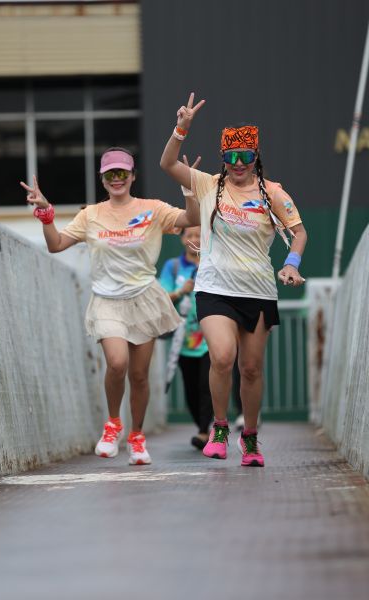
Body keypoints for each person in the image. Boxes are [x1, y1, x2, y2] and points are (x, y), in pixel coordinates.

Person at [20, 147, 199, 466]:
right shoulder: (90, 215)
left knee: (140, 376)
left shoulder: (153, 209)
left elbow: (192, 219)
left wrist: (188, 189)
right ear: (102, 179)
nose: (117, 179)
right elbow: (55, 245)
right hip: (107, 300)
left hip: (144, 299)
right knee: (117, 363)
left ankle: (137, 437)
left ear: (132, 176)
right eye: (110, 174)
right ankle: (113, 424)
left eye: (122, 173)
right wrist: (46, 213)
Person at [160, 93, 307, 467]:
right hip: (215, 289)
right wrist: (181, 129)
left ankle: (251, 437)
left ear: (256, 156)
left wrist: (291, 264)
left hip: (258, 291)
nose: (238, 163)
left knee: (251, 369)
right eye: (231, 156)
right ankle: (220, 427)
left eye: (245, 156)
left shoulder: (273, 193)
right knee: (222, 357)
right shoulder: (209, 185)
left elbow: (299, 232)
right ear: (222, 157)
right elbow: (168, 163)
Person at [159, 224, 213, 450]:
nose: (194, 239)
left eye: (199, 235)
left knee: (206, 384)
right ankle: (203, 427)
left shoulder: (214, 262)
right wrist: (181, 291)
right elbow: (161, 297)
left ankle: (204, 431)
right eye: (189, 235)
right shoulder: (173, 267)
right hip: (184, 340)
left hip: (211, 337)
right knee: (191, 388)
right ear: (182, 239)